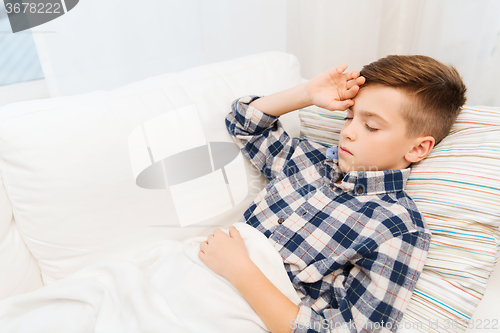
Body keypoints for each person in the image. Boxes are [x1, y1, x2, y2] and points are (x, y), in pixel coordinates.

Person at [198, 55, 467, 333]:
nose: (348, 132)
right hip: (195, 274)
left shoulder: (397, 228)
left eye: (371, 126)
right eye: (349, 117)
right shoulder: (305, 159)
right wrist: (306, 94)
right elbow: (243, 122)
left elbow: (351, 330)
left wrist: (240, 270)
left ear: (417, 149)